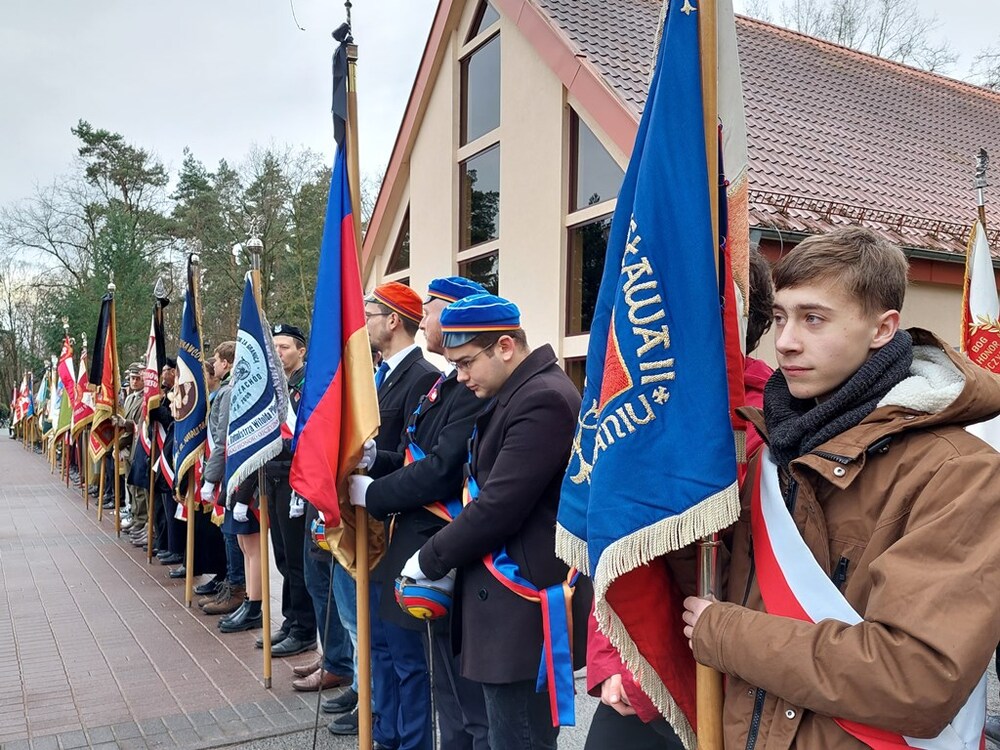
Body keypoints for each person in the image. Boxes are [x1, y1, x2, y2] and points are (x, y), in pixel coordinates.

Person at [682, 227, 1000, 748]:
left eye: (813, 318)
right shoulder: (773, 446)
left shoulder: (962, 473)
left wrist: (724, 634)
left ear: (882, 328)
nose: (784, 341)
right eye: (781, 317)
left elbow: (915, 681)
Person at [583, 249, 776, 750]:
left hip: (737, 679)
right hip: (641, 665)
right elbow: (617, 539)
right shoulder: (641, 413)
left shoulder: (779, 420)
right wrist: (616, 658)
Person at [403, 293, 592, 750]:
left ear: (505, 346)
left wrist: (429, 559)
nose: (460, 376)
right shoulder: (518, 391)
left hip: (520, 609)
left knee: (518, 740)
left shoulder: (543, 398)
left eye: (467, 363)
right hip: (501, 608)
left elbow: (499, 504)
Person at [348, 277, 491, 750]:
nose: (424, 318)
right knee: (391, 647)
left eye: (430, 309)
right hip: (406, 528)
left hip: (432, 531)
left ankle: (408, 742)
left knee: (430, 671)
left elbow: (441, 468)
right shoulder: (447, 383)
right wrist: (374, 461)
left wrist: (376, 493)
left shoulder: (455, 383)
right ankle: (390, 735)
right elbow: (414, 452)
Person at [327, 281, 439, 745]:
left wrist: (374, 473)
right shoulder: (377, 374)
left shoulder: (422, 378)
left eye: (371, 312)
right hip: (369, 531)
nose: (364, 321)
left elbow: (419, 460)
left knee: (405, 654)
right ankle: (387, 733)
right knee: (377, 646)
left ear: (394, 319)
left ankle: (409, 740)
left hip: (398, 530)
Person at [253, 323, 319, 659]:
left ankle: (305, 628)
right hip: (275, 476)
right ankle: (292, 619)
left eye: (285, 348)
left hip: (297, 479)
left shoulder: (308, 383)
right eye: (275, 348)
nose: (278, 354)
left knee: (297, 559)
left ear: (301, 350)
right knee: (281, 556)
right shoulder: (277, 386)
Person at [198, 342, 247, 617]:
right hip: (224, 467)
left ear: (226, 363)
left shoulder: (228, 392)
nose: (213, 364)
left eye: (216, 360)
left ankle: (237, 587)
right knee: (229, 533)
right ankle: (233, 583)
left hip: (230, 469)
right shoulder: (226, 390)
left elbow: (222, 440)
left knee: (232, 533)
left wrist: (210, 477)